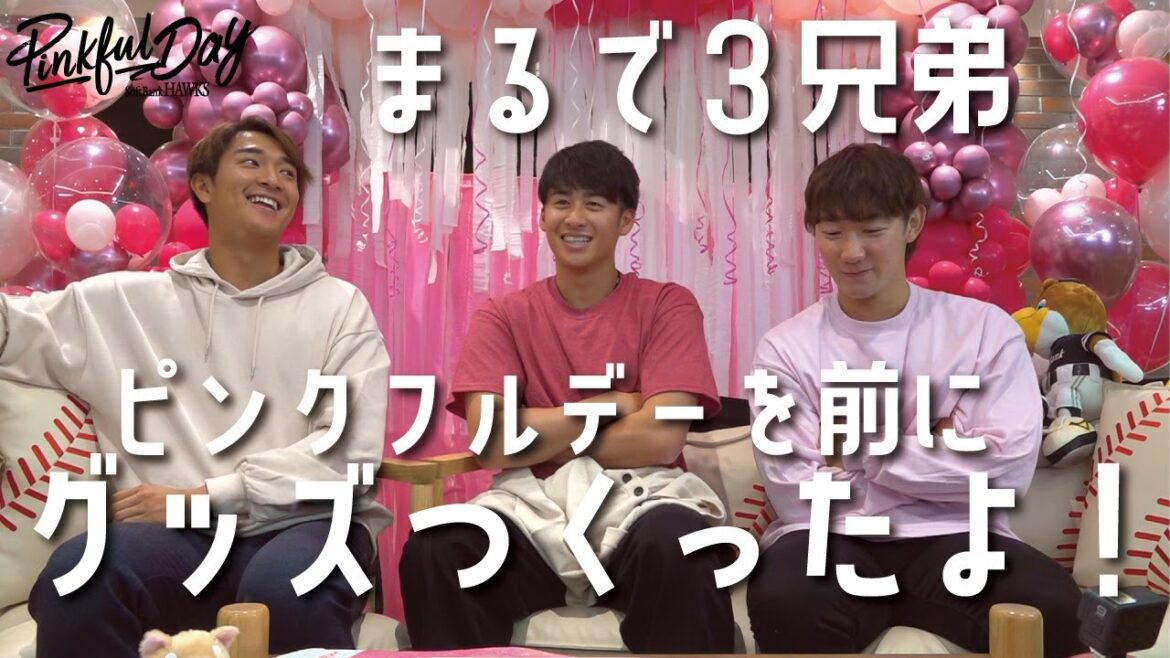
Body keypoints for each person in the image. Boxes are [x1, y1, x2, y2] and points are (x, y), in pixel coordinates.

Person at [0, 118, 391, 657]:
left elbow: (349, 455)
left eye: (287, 172)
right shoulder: (121, 301)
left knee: (287, 588)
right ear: (202, 185)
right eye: (252, 162)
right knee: (77, 578)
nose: (273, 179)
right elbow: (11, 331)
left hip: (309, 521)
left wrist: (204, 497)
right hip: (174, 538)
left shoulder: (340, 306)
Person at [746, 143, 1084, 657]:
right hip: (830, 539)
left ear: (912, 223)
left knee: (1056, 607)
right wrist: (937, 446)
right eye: (833, 233)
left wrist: (857, 451)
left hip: (958, 536)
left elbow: (1004, 475)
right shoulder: (785, 348)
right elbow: (796, 493)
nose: (851, 252)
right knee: (786, 599)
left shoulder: (983, 330)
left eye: (872, 231)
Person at [399, 140, 735, 653]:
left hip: (639, 504)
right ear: (542, 216)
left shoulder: (667, 305)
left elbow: (661, 439)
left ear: (626, 220)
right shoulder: (502, 316)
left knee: (681, 543)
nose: (574, 218)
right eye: (561, 202)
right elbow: (493, 441)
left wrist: (538, 435)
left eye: (594, 204)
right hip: (532, 513)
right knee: (438, 545)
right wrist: (609, 407)